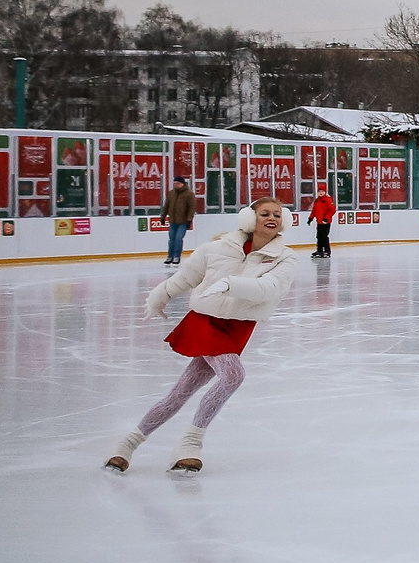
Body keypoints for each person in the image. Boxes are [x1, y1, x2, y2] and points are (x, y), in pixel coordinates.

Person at [105, 198, 296, 475]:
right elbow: (184, 279)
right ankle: (190, 445)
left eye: (277, 214)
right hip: (206, 320)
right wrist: (158, 298)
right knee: (233, 376)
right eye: (264, 213)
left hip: (237, 328)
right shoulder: (215, 249)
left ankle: (126, 445)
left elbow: (270, 288)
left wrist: (230, 284)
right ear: (248, 218)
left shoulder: (286, 257)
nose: (272, 218)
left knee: (179, 394)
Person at [160, 174, 197, 266]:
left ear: (182, 184)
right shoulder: (171, 193)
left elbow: (192, 208)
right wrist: (163, 217)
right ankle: (170, 256)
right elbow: (166, 206)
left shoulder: (189, 194)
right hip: (173, 220)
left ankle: (176, 256)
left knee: (178, 238)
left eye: (177, 183)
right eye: (174, 183)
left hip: (183, 221)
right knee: (171, 239)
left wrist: (189, 219)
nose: (175, 185)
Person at [308, 185, 336, 257]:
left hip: (326, 222)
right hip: (319, 222)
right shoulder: (317, 200)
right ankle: (319, 250)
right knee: (319, 236)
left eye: (322, 191)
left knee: (324, 237)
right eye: (319, 191)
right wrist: (310, 218)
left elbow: (332, 210)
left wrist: (326, 218)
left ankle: (327, 251)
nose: (320, 193)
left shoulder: (328, 200)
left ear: (325, 192)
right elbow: (314, 210)